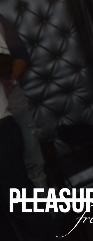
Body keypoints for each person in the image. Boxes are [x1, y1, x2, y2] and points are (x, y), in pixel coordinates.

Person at [0, 13, 47, 188]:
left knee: (34, 170)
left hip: (15, 108)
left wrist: (10, 82)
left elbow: (20, 55)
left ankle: (42, 205)